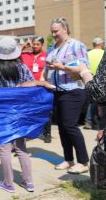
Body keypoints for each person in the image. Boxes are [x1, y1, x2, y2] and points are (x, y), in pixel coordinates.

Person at [0, 37, 36, 193]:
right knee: (21, 148)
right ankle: (29, 182)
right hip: (20, 112)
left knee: (5, 149)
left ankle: (8, 183)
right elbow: (32, 85)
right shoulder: (22, 67)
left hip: (2, 114)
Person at [45, 17, 89, 174]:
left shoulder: (76, 45)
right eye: (52, 31)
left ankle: (83, 162)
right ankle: (69, 159)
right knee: (62, 128)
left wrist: (62, 67)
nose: (54, 34)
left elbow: (84, 68)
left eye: (56, 31)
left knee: (70, 125)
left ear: (65, 29)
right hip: (56, 91)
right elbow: (47, 69)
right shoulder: (52, 47)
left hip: (73, 90)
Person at [21, 36, 51, 143]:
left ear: (42, 45)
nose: (35, 46)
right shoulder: (25, 55)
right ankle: (30, 132)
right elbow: (13, 54)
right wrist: (24, 46)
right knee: (29, 110)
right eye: (33, 44)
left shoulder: (46, 55)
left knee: (45, 110)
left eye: (37, 44)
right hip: (28, 87)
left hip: (42, 87)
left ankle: (47, 133)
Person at [83, 37, 104, 130]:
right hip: (101, 80)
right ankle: (94, 123)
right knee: (98, 104)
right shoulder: (103, 53)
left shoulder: (88, 54)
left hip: (88, 79)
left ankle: (88, 121)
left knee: (91, 103)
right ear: (101, 44)